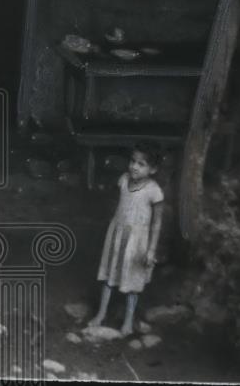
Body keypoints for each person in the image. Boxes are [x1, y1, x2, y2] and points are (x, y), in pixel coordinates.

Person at [92, 143, 165, 336]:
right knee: (109, 273)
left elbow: (156, 224)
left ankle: (128, 322)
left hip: (138, 241)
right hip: (118, 234)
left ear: (153, 169)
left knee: (133, 280)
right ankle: (101, 314)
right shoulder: (123, 180)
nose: (134, 167)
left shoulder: (154, 191)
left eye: (141, 164)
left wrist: (150, 250)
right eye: (133, 161)